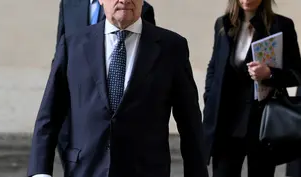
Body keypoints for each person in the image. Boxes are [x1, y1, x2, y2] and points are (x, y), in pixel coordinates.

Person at [27, 0, 209, 177]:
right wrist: (39, 172)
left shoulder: (171, 47)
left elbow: (189, 122)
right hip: (85, 168)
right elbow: (49, 116)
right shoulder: (73, 44)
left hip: (146, 169)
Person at [202, 0, 301, 176]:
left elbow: (296, 74)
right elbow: (214, 66)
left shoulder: (281, 25)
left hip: (261, 121)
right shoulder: (222, 24)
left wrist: (270, 74)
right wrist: (209, 97)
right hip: (226, 120)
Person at [54, 0, 156, 166]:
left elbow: (145, 71)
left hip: (118, 125)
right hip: (77, 123)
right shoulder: (69, 4)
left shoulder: (134, 7)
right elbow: (60, 57)